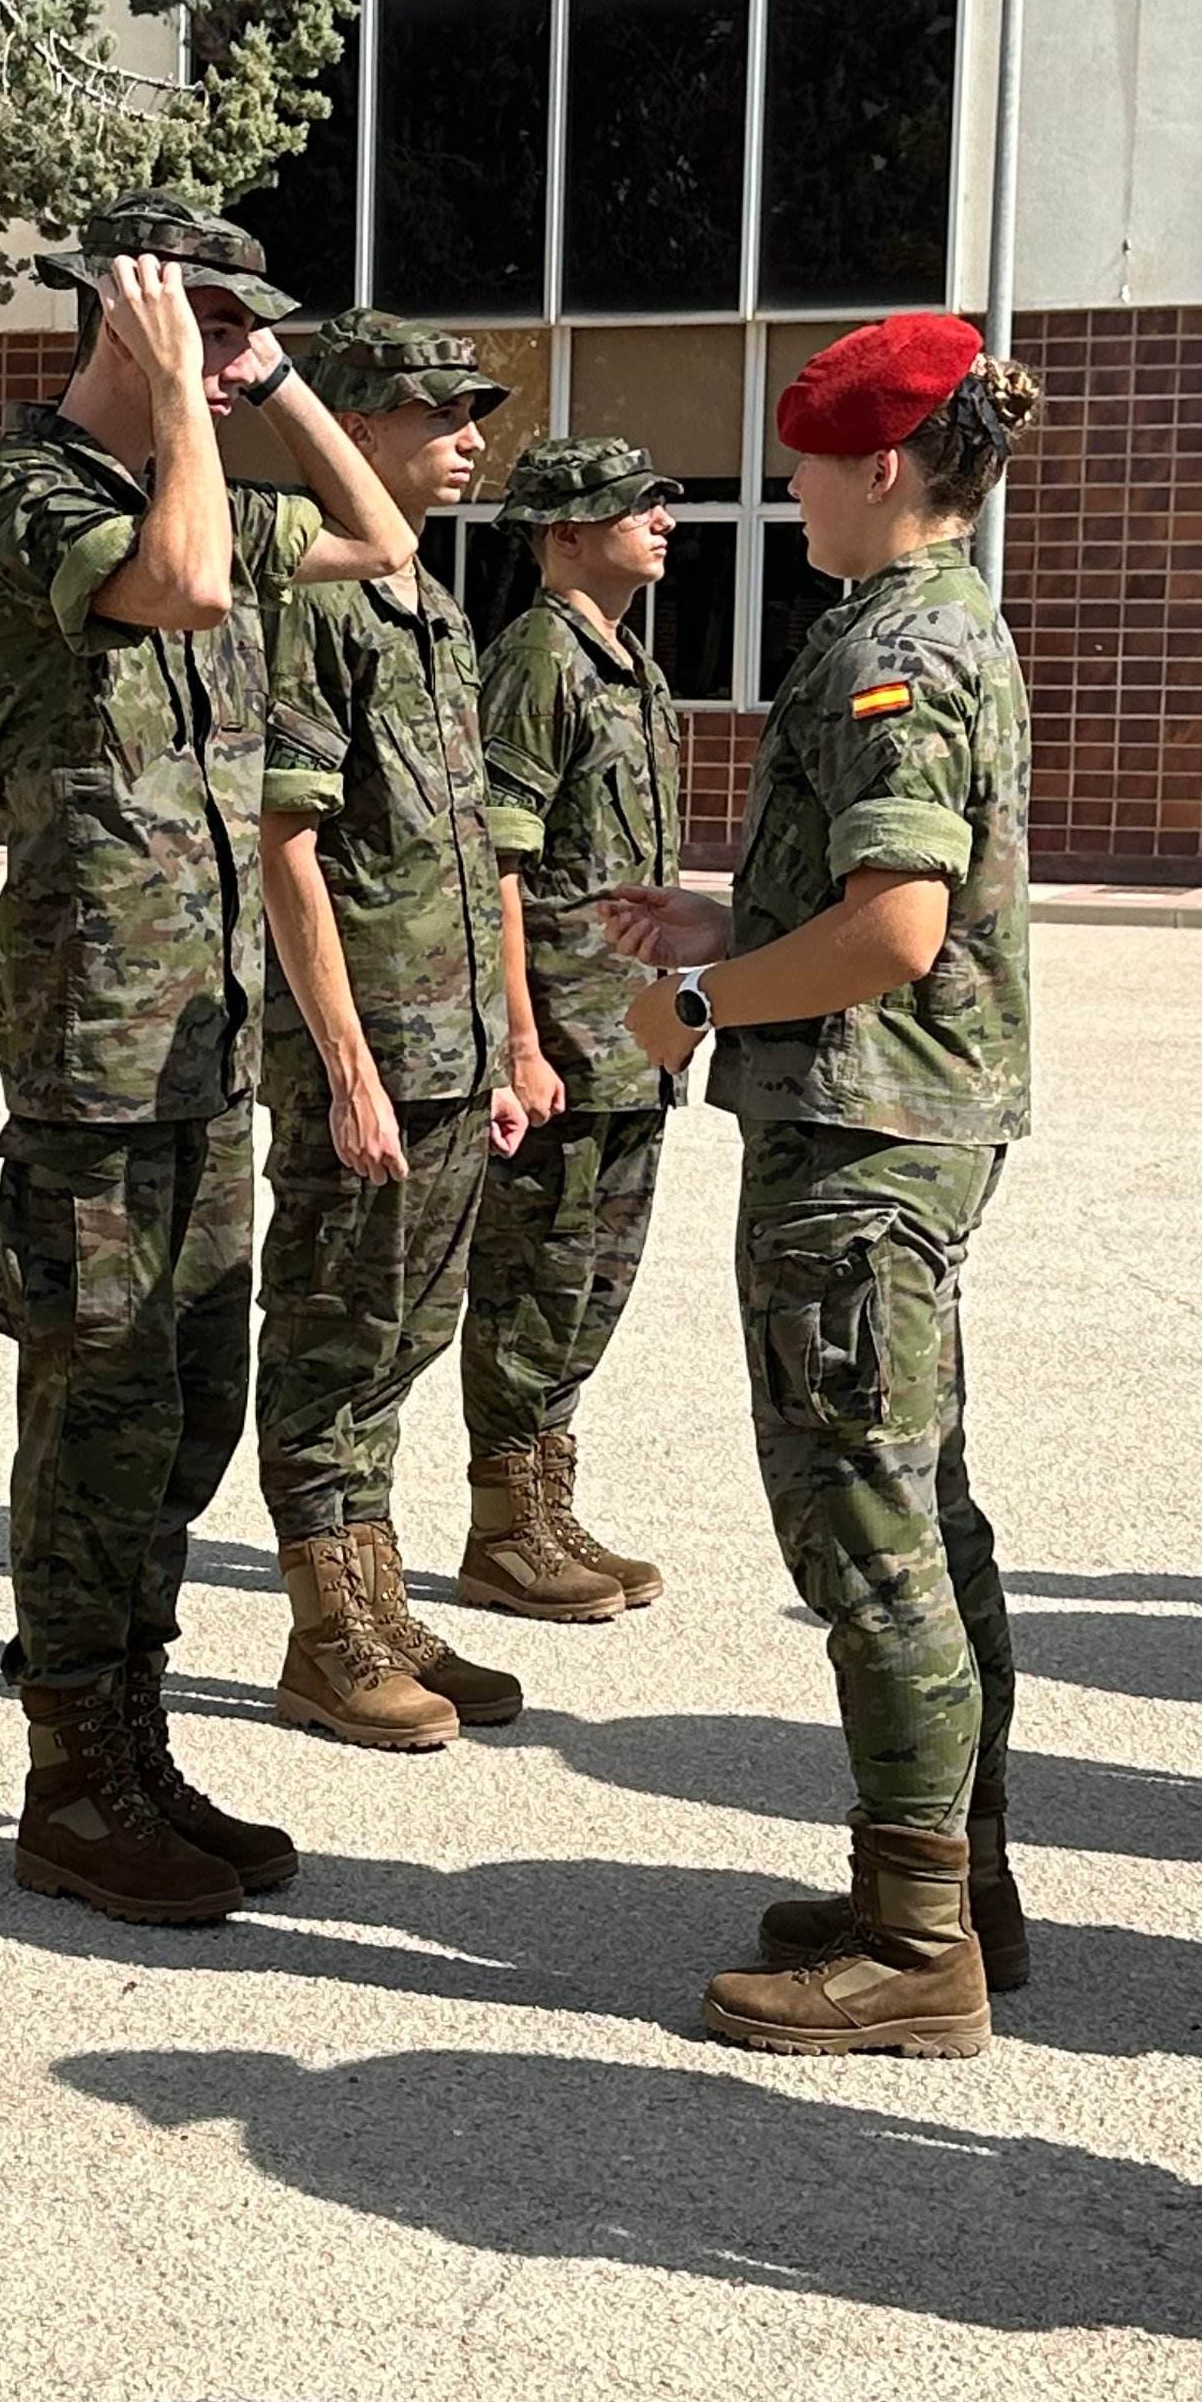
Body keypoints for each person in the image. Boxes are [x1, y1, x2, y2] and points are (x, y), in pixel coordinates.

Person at [0, 196, 416, 1921]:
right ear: (126, 316)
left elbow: (375, 540)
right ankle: (70, 1782)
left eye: (243, 333)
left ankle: (136, 1751)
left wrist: (275, 381)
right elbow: (193, 581)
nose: (232, 361)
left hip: (196, 1043)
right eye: (210, 325)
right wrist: (171, 390)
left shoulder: (197, 462)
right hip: (89, 1046)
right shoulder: (37, 497)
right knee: (96, 1409)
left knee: (183, 1414)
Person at [607, 311, 1040, 2058]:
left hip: (858, 1148)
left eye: (796, 460)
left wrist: (696, 1001)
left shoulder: (903, 651)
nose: (778, 488)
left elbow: (893, 931)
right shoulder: (908, 624)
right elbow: (863, 904)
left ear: (878, 464)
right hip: (887, 1123)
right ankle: (947, 1889)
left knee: (864, 1523)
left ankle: (915, 1941)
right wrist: (728, 926)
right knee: (917, 1506)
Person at [252, 313, 528, 1752]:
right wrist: (350, 1065)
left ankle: (380, 1592)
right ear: (356, 429)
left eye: (475, 411)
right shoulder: (317, 600)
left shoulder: (434, 603)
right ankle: (325, 1633)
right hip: (361, 1055)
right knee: (325, 1338)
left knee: (402, 1337)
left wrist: (497, 1046)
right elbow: (285, 846)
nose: (471, 434)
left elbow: (465, 850)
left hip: (448, 1050)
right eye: (439, 412)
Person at [458, 431, 688, 1626]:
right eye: (633, 505)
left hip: (630, 1037)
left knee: (596, 1281)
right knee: (533, 1280)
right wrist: (519, 1041)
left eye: (661, 503)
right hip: (564, 1035)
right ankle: (506, 1528)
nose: (662, 518)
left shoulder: (626, 665)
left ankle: (545, 1499)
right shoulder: (538, 663)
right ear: (562, 535)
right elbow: (497, 863)